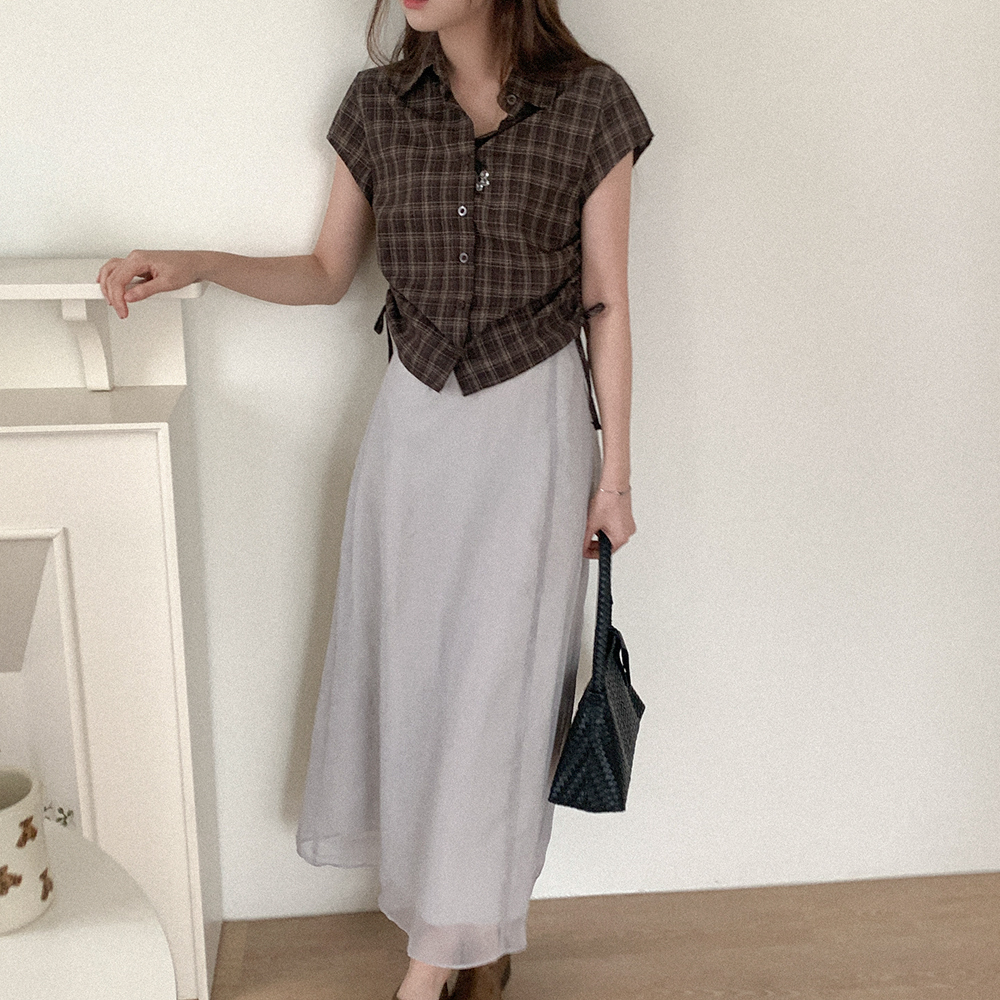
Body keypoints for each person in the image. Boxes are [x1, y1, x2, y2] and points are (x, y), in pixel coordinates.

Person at [98, 0, 652, 997]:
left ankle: (429, 966)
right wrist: (199, 265)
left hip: (533, 435)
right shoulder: (378, 105)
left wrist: (615, 479)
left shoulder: (592, 105)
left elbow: (605, 302)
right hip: (414, 431)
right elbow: (327, 273)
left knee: (502, 690)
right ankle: (468, 932)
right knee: (416, 680)